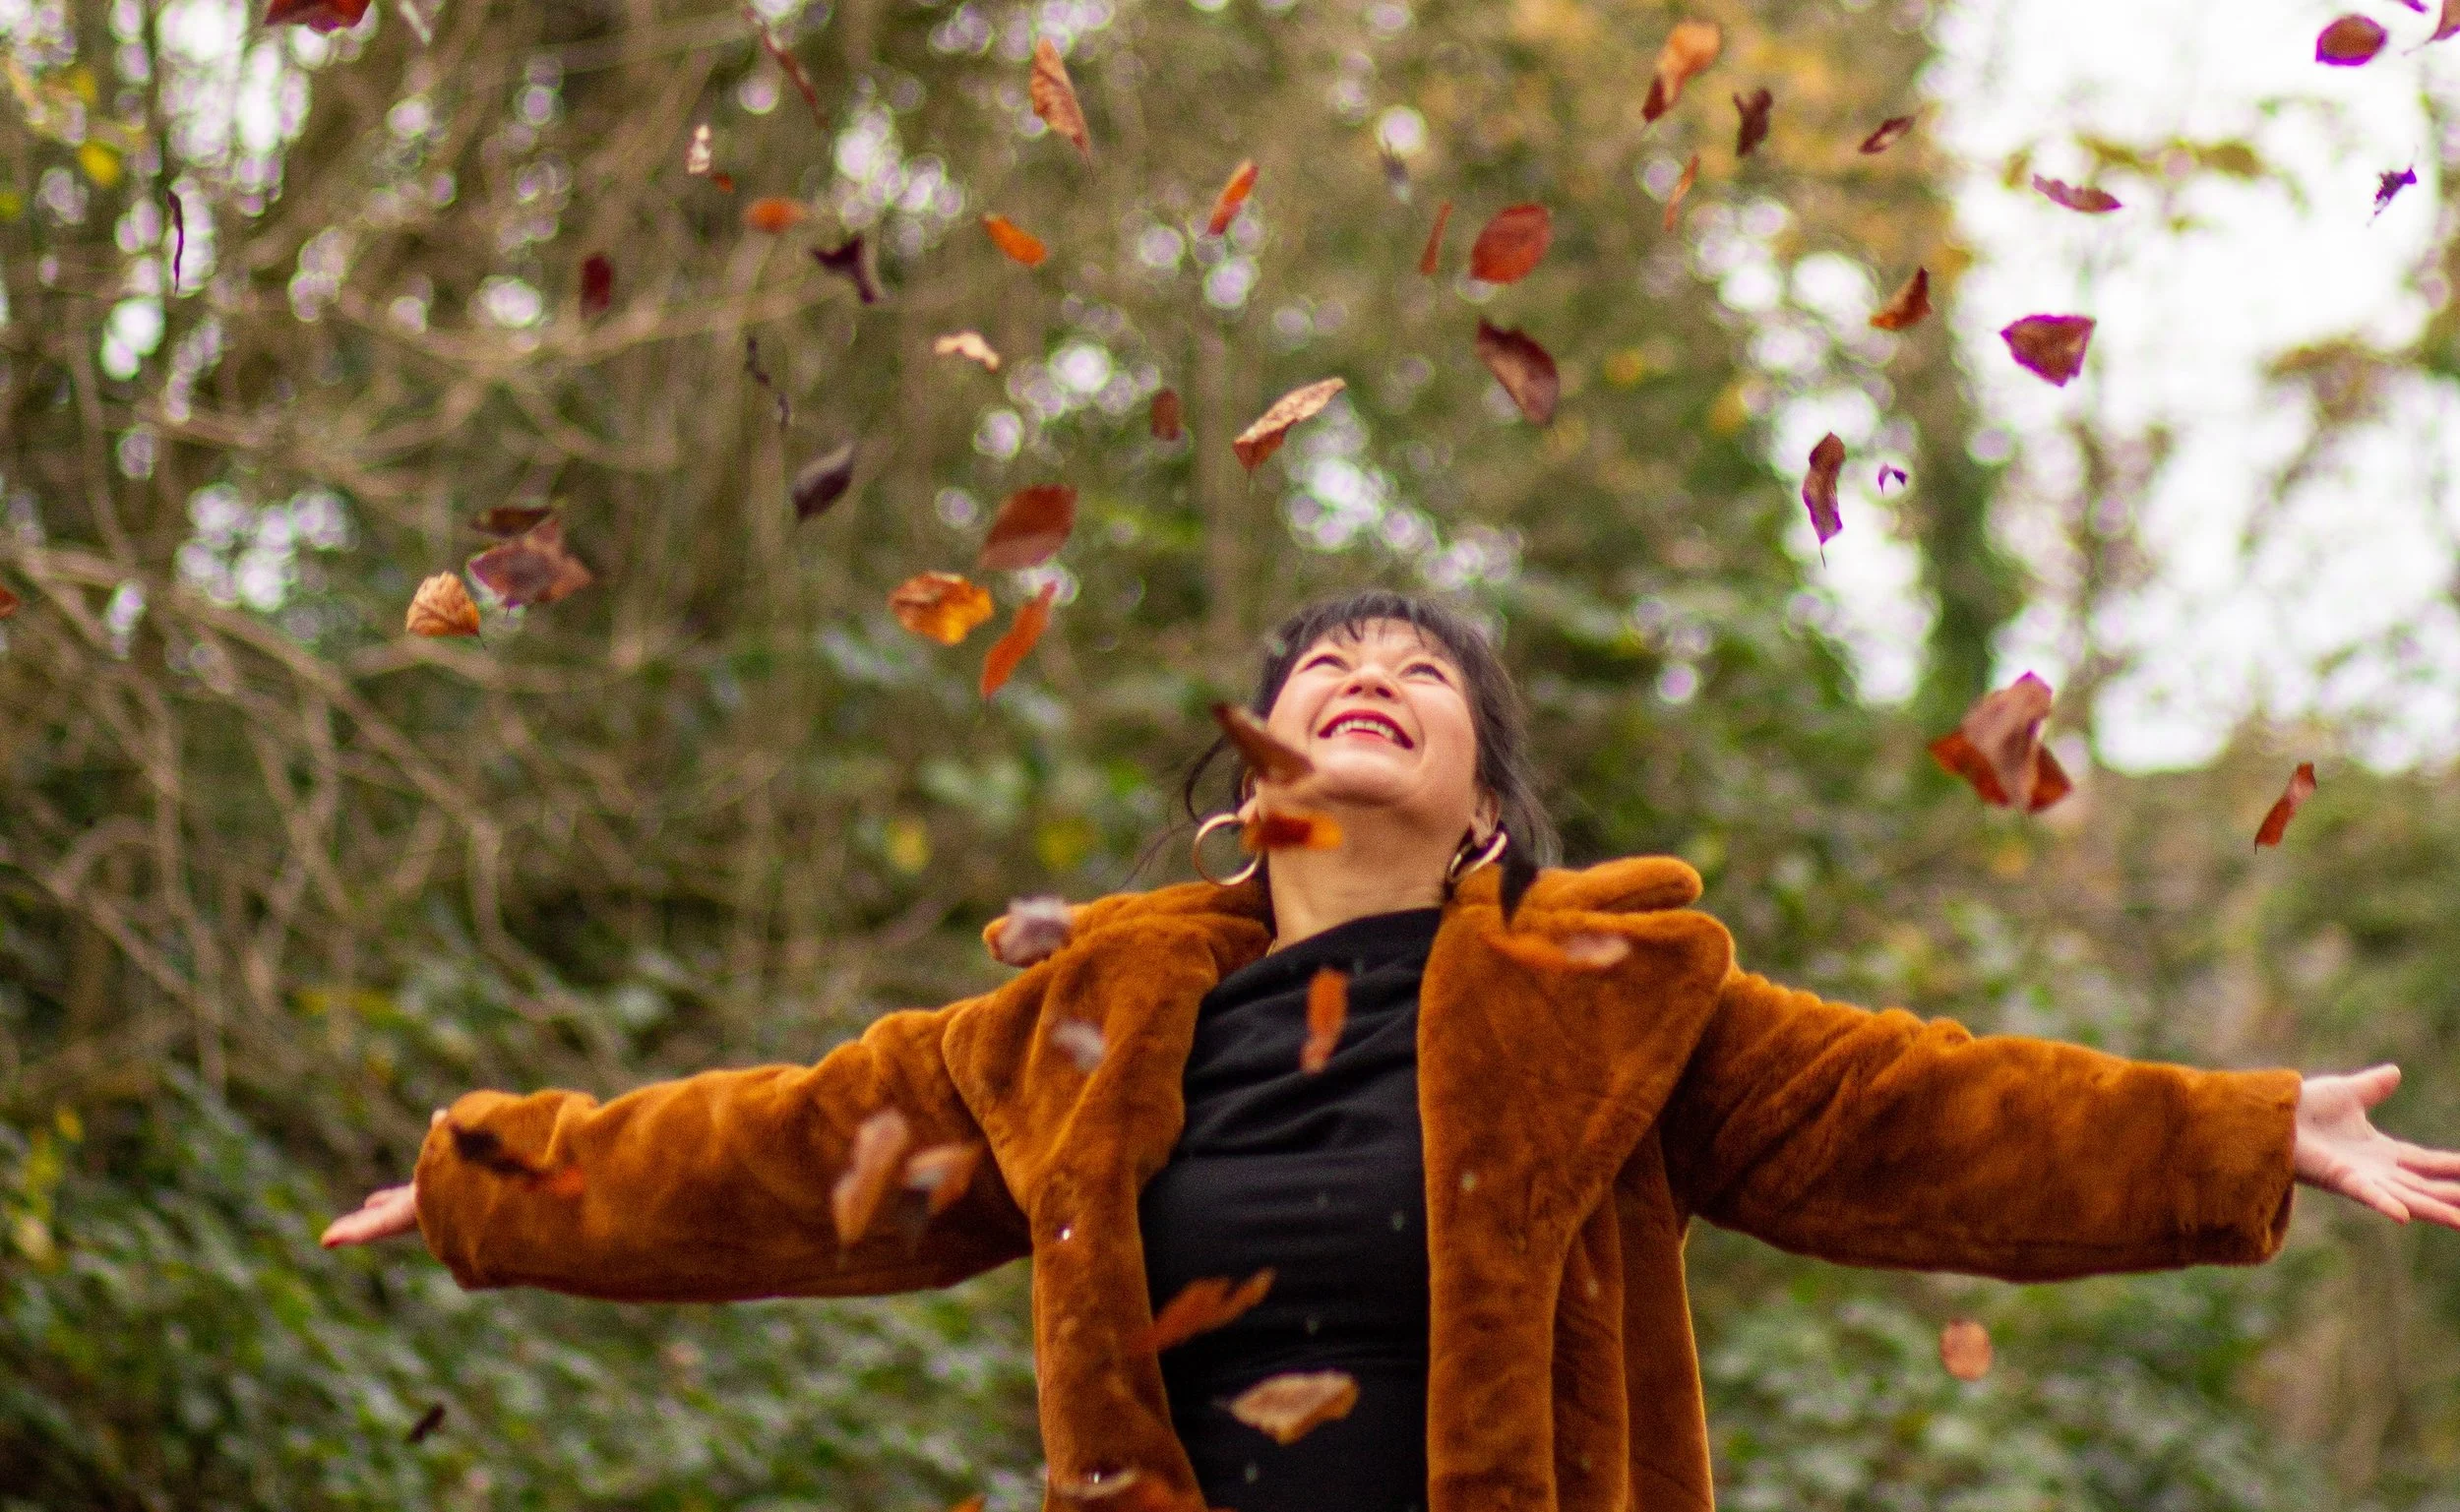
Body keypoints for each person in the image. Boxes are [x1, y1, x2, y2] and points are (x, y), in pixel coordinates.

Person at [326, 588, 2460, 1512]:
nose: (1360, 671)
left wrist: (2241, 1128)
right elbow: (795, 1156)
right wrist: (504, 1184)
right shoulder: (1074, 1023)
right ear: (1237, 783)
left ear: (1487, 806)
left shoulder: (1605, 996)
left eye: (1412, 670)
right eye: (1320, 665)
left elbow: (1907, 1118)